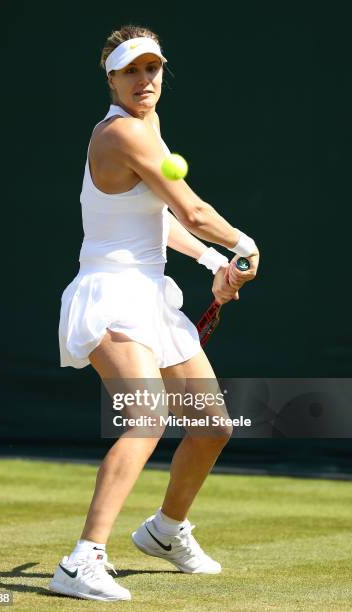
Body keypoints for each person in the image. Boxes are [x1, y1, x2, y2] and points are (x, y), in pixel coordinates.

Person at [50, 24, 259, 602]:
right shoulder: (121, 134)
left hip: (149, 292)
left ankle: (165, 532)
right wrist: (244, 245)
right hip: (108, 291)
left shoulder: (150, 128)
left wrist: (212, 261)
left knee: (212, 426)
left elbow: (162, 221)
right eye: (132, 71)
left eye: (153, 69)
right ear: (111, 78)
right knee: (148, 416)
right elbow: (191, 210)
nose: (145, 80)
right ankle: (82, 560)